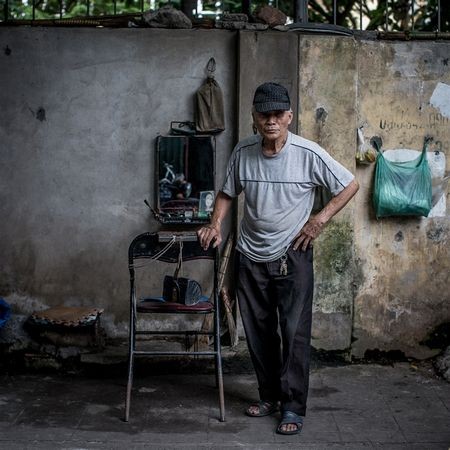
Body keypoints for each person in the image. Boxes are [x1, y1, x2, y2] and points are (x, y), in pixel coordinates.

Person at [197, 82, 359, 435]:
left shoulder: (307, 153)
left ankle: (293, 406)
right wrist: (215, 224)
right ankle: (269, 396)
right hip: (249, 255)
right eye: (263, 114)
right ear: (254, 118)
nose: (270, 121)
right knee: (258, 332)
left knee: (293, 333)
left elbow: (349, 185)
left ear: (288, 117)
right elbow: (227, 191)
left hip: (293, 255)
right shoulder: (243, 151)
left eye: (276, 114)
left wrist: (319, 220)